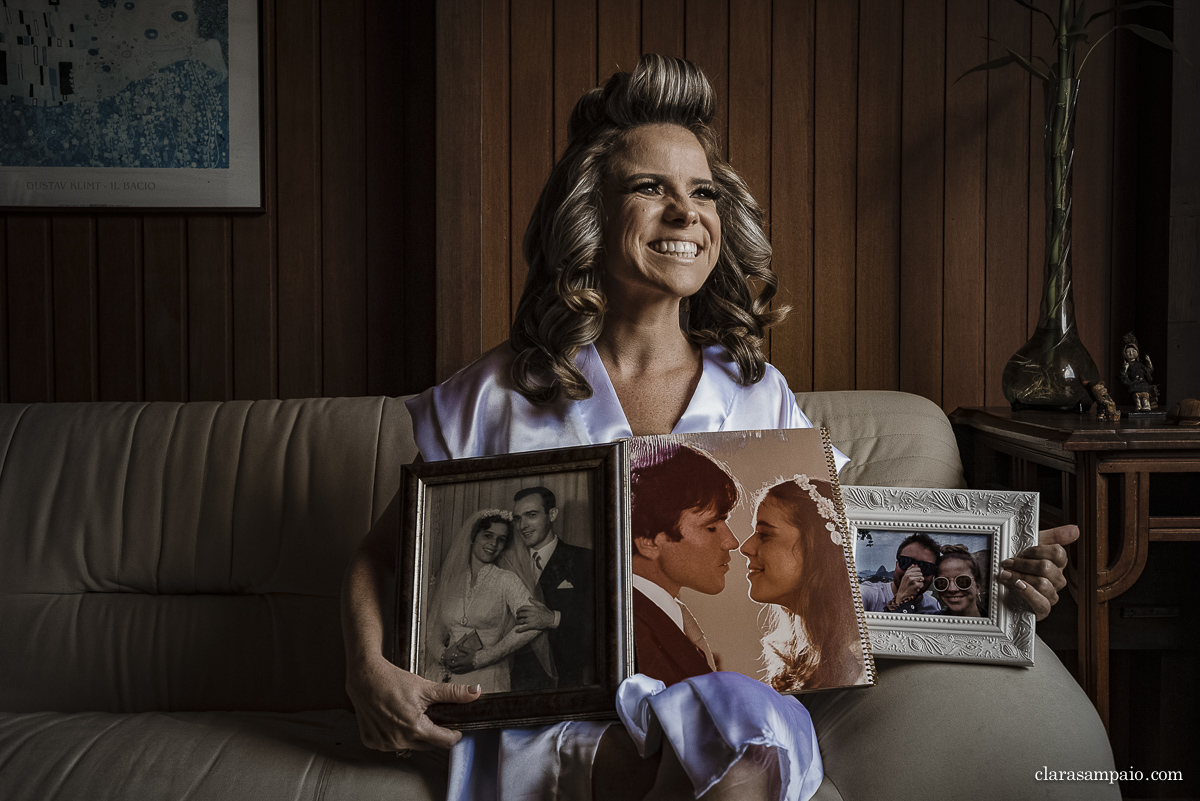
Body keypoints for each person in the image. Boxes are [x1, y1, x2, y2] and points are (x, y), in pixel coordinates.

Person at [340, 53, 1075, 799]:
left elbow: (846, 567)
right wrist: (367, 668)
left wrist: (996, 575)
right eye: (650, 188)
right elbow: (381, 553)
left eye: (703, 192)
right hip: (558, 727)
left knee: (734, 726)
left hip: (734, 718)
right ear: (591, 212)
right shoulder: (499, 390)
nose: (686, 212)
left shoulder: (758, 392)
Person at [739, 476, 868, 692]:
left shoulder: (860, 662)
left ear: (815, 547)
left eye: (764, 534)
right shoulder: (799, 658)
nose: (745, 547)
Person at [628, 441, 740, 685]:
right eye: (711, 527)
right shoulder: (633, 637)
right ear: (648, 541)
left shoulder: (659, 615)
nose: (732, 542)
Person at [422, 510, 556, 693]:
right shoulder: (451, 583)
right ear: (472, 537)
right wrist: (444, 656)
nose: (493, 544)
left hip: (487, 678)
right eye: (487, 536)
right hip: (444, 676)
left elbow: (533, 625)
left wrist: (481, 658)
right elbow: (432, 631)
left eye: (501, 539)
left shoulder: (506, 580)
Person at [508, 486, 594, 689]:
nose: (523, 526)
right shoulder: (507, 564)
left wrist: (553, 618)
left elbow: (600, 622)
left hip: (566, 682)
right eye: (518, 518)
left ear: (552, 514)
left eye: (531, 515)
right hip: (512, 682)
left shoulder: (586, 560)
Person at [859, 532, 944, 614]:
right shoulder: (867, 595)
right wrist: (901, 599)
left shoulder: (933, 606)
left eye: (926, 567)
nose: (913, 572)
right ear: (897, 564)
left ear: (933, 574)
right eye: (906, 562)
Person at [934, 544, 986, 618]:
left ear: (977, 586)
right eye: (943, 582)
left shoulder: (998, 620)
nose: (952, 589)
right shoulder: (927, 621)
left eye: (962, 581)